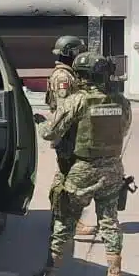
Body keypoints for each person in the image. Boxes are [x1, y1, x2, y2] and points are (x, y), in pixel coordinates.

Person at [35, 51, 132, 276]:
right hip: (112, 169)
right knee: (109, 221)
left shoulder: (77, 100)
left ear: (83, 76)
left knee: (64, 218)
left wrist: (38, 122)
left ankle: (50, 272)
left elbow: (50, 132)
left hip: (82, 169)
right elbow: (125, 127)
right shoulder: (120, 101)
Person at [44, 36, 94, 242]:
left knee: (65, 177)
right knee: (69, 179)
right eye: (78, 52)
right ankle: (67, 221)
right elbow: (65, 109)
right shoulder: (63, 77)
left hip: (70, 134)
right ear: (71, 53)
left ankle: (60, 218)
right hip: (68, 135)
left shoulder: (67, 74)